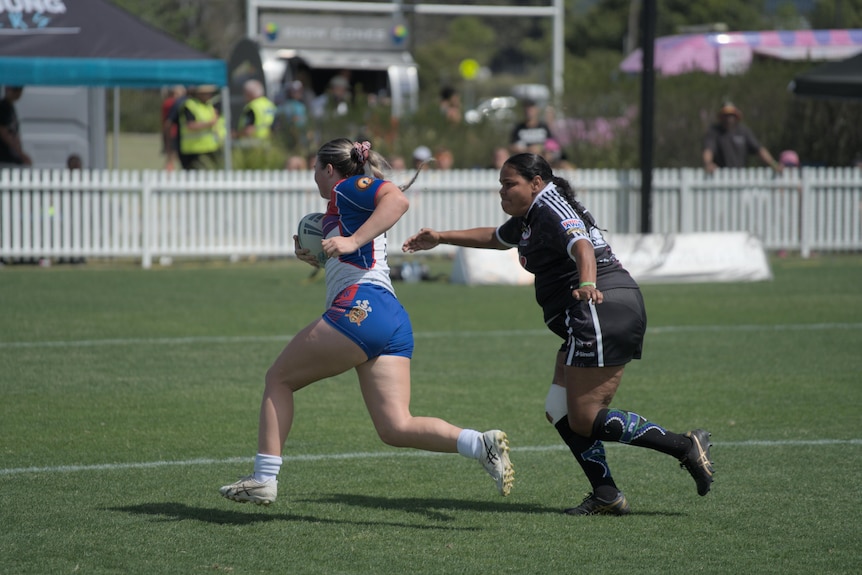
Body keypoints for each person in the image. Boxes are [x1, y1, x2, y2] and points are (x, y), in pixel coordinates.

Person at [402, 153, 714, 516]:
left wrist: (586, 282)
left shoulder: (550, 205)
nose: (502, 192)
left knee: (584, 417)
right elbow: (497, 237)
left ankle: (685, 446)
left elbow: (580, 243)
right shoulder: (529, 216)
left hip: (600, 307)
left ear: (536, 183)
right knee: (559, 409)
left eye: (509, 184)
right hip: (591, 312)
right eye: (501, 185)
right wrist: (440, 237)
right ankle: (606, 493)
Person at [219, 138, 514, 505]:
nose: (313, 176)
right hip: (390, 316)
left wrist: (350, 240)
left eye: (315, 169)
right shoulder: (340, 206)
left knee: (278, 379)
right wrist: (319, 255)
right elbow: (354, 254)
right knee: (395, 426)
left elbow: (397, 200)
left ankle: (263, 478)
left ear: (329, 170)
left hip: (363, 307)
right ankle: (478, 443)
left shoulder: (346, 188)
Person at [702, 103, 782, 173]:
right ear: (721, 117)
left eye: (731, 115)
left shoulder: (743, 132)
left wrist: (774, 164)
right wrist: (708, 164)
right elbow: (708, 150)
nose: (729, 118)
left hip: (740, 176)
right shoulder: (714, 132)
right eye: (726, 115)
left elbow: (759, 150)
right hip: (720, 176)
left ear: (736, 116)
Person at [177, 85, 221, 170]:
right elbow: (190, 125)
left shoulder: (209, 105)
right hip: (193, 150)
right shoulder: (189, 105)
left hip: (209, 148)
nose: (209, 96)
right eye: (207, 94)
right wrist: (209, 124)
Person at [235, 79, 277, 146]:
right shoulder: (269, 104)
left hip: (254, 144)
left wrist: (236, 135)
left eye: (245, 92)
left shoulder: (252, 107)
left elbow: (248, 130)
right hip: (269, 142)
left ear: (249, 93)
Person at [0, 86, 32, 167]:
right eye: (16, 90)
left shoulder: (10, 107)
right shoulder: (3, 107)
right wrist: (21, 154)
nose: (18, 93)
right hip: (4, 155)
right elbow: (4, 132)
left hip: (11, 155)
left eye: (19, 90)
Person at [160, 86, 186, 171]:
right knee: (171, 157)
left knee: (171, 157)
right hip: (174, 133)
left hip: (172, 132)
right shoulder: (172, 103)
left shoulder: (168, 102)